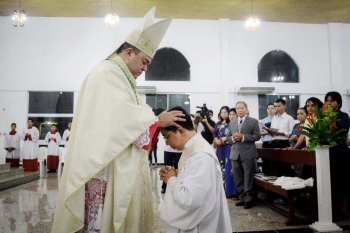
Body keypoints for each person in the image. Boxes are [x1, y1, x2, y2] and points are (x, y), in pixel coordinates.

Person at [52, 8, 183, 232]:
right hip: (100, 167)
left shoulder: (121, 77)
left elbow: (130, 112)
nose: (145, 68)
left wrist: (151, 119)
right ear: (129, 52)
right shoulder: (107, 73)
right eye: (144, 61)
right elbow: (120, 119)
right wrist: (156, 120)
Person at [159, 106, 232, 233]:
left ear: (180, 130)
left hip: (199, 227)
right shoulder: (193, 148)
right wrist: (176, 175)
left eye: (166, 137)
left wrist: (171, 179)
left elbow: (189, 199)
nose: (166, 143)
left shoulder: (200, 156)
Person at [223, 101, 260, 209]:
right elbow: (228, 137)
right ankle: (242, 197)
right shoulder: (232, 123)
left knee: (248, 176)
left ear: (246, 109)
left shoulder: (253, 121)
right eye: (237, 108)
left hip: (248, 152)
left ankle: (249, 199)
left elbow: (257, 136)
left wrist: (243, 137)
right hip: (234, 152)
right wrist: (233, 138)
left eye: (242, 108)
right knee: (237, 177)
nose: (239, 110)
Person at [324, 91, 350, 220]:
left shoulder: (344, 116)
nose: (329, 103)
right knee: (330, 183)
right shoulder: (322, 117)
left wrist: (331, 120)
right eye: (327, 101)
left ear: (338, 102)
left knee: (342, 182)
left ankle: (344, 211)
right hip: (326, 154)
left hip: (340, 153)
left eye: (332, 101)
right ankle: (332, 211)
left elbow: (343, 130)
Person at [213, 106, 237, 198]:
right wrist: (216, 140)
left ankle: (230, 189)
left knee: (229, 169)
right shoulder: (218, 123)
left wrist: (224, 140)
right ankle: (223, 188)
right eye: (222, 112)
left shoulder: (230, 124)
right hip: (220, 147)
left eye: (226, 112)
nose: (224, 114)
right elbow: (215, 133)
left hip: (228, 147)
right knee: (221, 167)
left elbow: (229, 136)